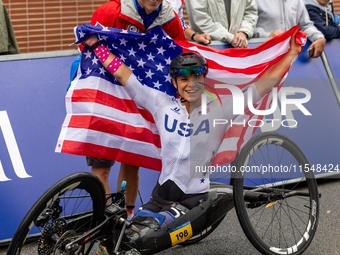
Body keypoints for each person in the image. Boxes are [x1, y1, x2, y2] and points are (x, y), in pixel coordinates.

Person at [83, 28, 302, 229]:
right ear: (175, 83)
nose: (191, 84)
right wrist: (95, 45)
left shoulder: (221, 109)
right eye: (184, 79)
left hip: (191, 198)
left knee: (147, 232)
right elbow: (124, 75)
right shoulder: (162, 105)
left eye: (197, 77)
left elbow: (262, 85)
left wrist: (291, 53)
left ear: (204, 79)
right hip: (159, 196)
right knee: (124, 231)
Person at [85, 0, 190, 220]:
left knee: (132, 163)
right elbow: (86, 50)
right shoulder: (109, 12)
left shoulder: (169, 17)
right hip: (105, 93)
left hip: (139, 94)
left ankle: (126, 220)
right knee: (102, 169)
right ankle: (105, 223)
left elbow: (180, 56)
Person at [254, 0, 326, 58]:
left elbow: (305, 26)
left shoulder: (297, 1)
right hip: (263, 58)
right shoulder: (255, 1)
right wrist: (267, 36)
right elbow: (246, 29)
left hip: (290, 60)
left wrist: (319, 38)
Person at [184, 0, 258, 48]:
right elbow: (201, 19)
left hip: (239, 48)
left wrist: (243, 32)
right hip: (209, 51)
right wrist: (231, 38)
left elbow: (250, 12)